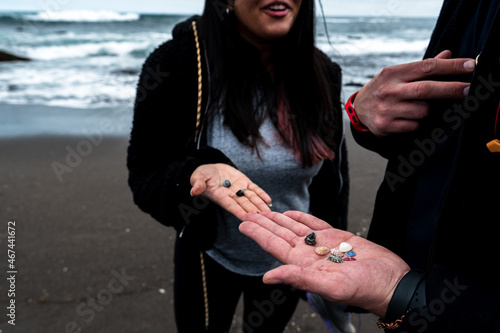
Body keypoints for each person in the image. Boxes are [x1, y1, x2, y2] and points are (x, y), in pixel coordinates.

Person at [240, 0, 500, 331]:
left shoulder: (323, 71)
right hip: (413, 275)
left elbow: (332, 180)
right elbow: (451, 139)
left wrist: (410, 296)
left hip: (429, 295)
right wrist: (363, 116)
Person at [126, 0, 350, 331]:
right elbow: (145, 176)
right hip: (207, 251)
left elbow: (332, 183)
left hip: (292, 256)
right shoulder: (176, 64)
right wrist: (196, 172)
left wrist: (333, 254)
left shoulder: (322, 74)